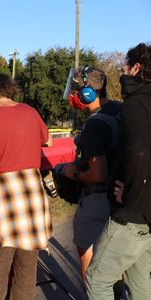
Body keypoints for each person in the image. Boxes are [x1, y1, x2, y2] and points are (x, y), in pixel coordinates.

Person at [0, 72, 53, 300]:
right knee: (27, 267)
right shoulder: (30, 112)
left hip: (6, 193)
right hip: (33, 193)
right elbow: (48, 140)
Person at [86, 43, 151, 300]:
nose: (121, 69)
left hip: (133, 215)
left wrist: (132, 195)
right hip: (147, 212)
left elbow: (139, 156)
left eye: (125, 65)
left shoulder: (135, 104)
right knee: (139, 281)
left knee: (97, 279)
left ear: (136, 68)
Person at [61, 66, 121, 287]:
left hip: (99, 198)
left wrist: (74, 173)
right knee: (115, 256)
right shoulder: (119, 109)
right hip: (121, 195)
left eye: (77, 90)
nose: (74, 95)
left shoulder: (95, 123)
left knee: (87, 249)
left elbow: (97, 173)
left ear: (88, 93)